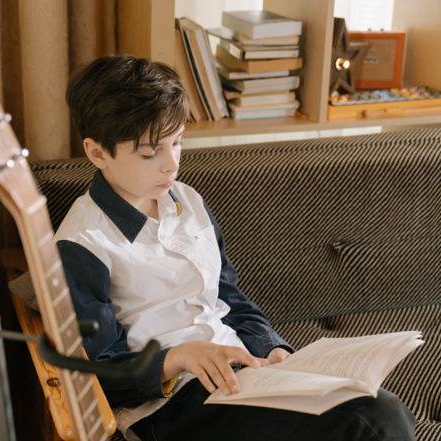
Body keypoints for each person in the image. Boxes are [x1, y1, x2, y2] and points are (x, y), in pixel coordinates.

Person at [54, 54, 416, 441]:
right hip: (170, 405)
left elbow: (228, 296)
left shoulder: (187, 200)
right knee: (369, 421)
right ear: (97, 153)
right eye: (150, 153)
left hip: (245, 371)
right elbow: (96, 373)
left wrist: (273, 348)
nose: (171, 164)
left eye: (177, 142)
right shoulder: (82, 244)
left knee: (381, 407)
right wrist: (178, 357)